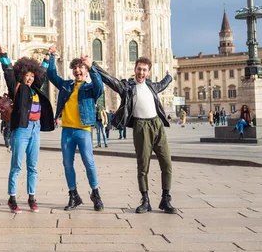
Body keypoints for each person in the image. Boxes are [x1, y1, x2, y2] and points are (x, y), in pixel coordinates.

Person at [96, 59, 176, 214]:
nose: (141, 72)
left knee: (167, 164)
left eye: (144, 70)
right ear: (135, 69)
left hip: (157, 125)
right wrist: (93, 65)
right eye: (139, 69)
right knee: (143, 166)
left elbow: (163, 84)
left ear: (148, 72)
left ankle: (165, 199)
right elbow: (110, 80)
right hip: (141, 127)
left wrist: (169, 77)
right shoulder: (127, 87)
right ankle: (145, 200)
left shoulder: (152, 86)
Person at [0, 43, 54, 213]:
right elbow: (7, 70)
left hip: (35, 129)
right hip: (21, 129)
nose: (30, 78)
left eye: (32, 75)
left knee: (33, 166)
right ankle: (12, 198)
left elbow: (42, 72)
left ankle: (31, 198)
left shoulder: (36, 88)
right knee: (16, 165)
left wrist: (47, 56)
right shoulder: (17, 87)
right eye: (27, 75)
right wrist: (2, 51)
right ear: (22, 75)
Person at [47, 45, 105, 211]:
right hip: (67, 131)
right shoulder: (66, 85)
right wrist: (51, 57)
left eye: (81, 67)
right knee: (67, 163)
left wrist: (92, 66)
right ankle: (74, 195)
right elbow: (51, 75)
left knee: (89, 162)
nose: (78, 70)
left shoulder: (89, 88)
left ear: (86, 71)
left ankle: (96, 193)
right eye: (75, 67)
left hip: (83, 130)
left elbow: (99, 87)